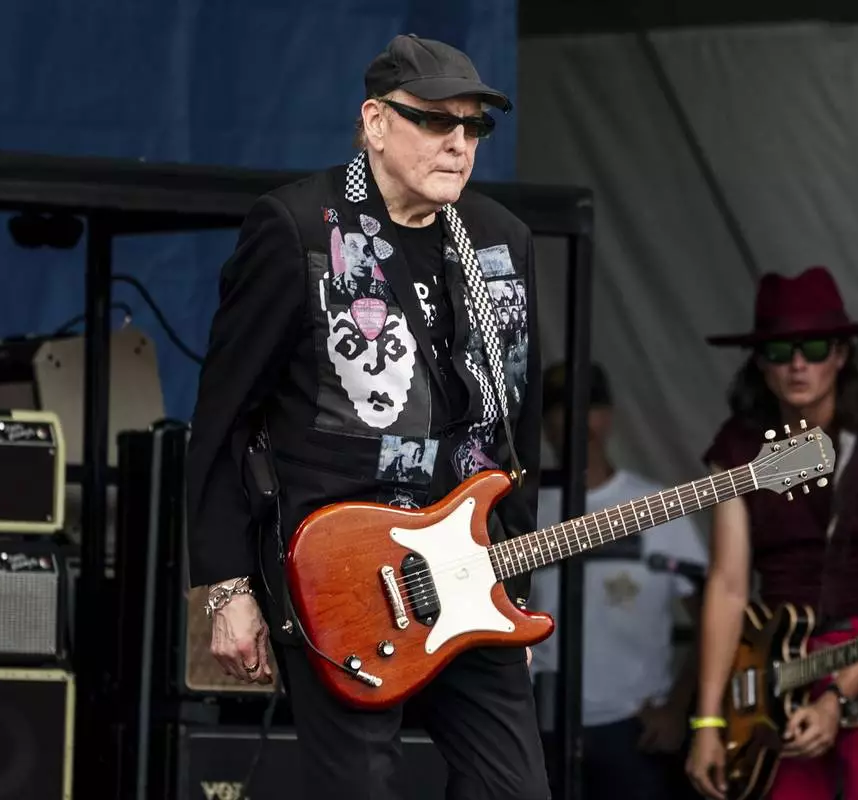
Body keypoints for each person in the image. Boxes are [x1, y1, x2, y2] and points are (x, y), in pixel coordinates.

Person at [185, 34, 549, 800]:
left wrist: (512, 588)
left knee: (512, 788)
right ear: (376, 121)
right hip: (338, 572)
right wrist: (226, 586)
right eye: (435, 122)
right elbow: (222, 416)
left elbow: (518, 424)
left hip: (469, 565)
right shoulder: (296, 229)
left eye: (474, 127)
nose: (458, 143)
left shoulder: (501, 241)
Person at [685, 266, 858, 800]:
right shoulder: (736, 448)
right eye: (779, 351)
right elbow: (727, 586)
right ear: (760, 363)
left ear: (841, 354)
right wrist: (707, 724)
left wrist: (837, 699)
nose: (798, 363)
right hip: (777, 664)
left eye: (815, 347)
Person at [529, 362, 708, 800]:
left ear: (607, 415)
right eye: (558, 407)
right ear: (544, 422)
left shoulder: (657, 506)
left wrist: (678, 708)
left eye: (586, 406)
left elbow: (713, 617)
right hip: (540, 727)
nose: (572, 420)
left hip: (635, 729)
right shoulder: (523, 510)